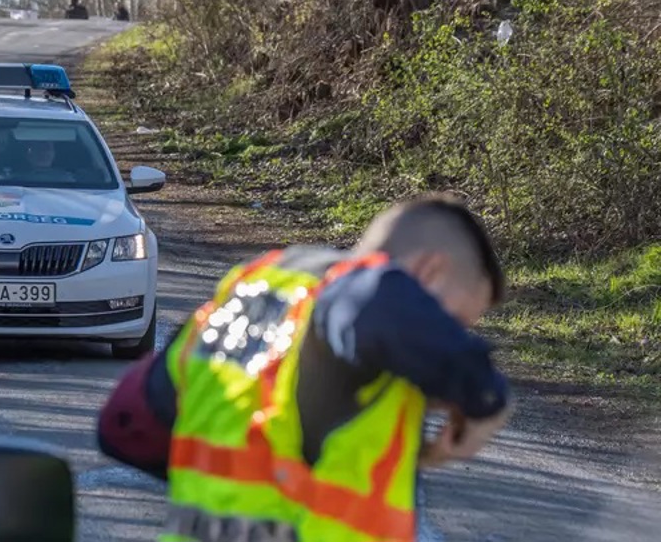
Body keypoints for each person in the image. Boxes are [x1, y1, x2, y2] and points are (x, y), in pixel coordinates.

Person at [96, 193, 513, 542]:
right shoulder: (359, 292)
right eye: (456, 322)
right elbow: (376, 303)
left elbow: (125, 427)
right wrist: (486, 401)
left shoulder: (254, 287)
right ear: (428, 270)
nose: (452, 337)